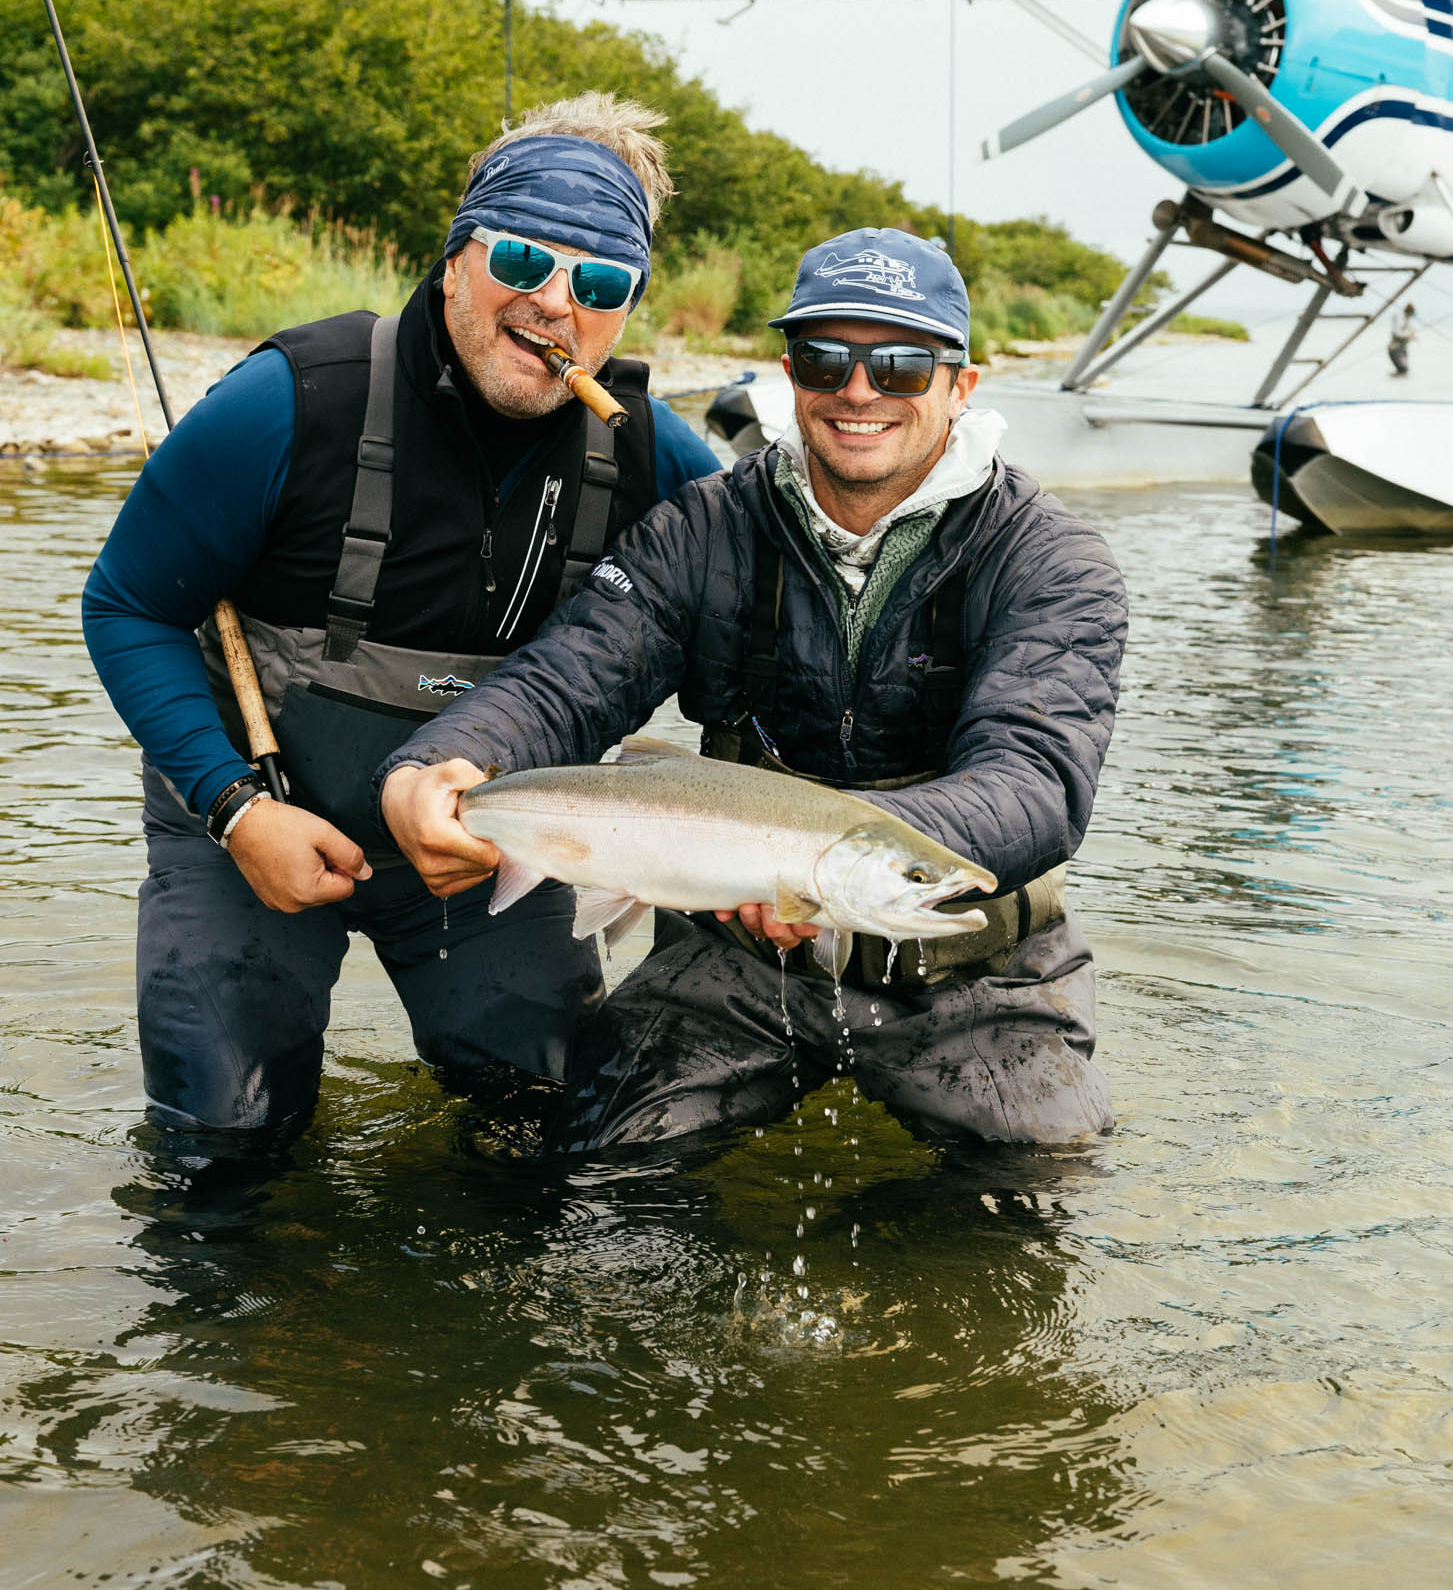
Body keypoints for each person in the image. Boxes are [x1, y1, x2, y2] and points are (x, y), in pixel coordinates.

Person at [380, 227, 1129, 1154]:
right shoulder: (700, 528)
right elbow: (566, 681)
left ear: (958, 386)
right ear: (790, 373)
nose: (859, 391)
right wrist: (437, 764)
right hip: (734, 959)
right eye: (827, 359)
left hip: (975, 972)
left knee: (1031, 1195)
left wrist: (817, 859)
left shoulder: (1053, 562)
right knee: (605, 1168)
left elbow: (1036, 783)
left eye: (899, 366)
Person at [82, 94, 720, 1145]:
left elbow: (769, 632)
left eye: (599, 282)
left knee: (546, 1138)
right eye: (523, 261)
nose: (557, 304)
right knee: (221, 1149)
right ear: (458, 254)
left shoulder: (660, 463)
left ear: (627, 306)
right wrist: (237, 811)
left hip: (487, 861)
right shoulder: (291, 400)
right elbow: (127, 606)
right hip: (251, 821)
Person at [1388, 301, 1418, 378]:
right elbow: (1398, 332)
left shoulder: (1406, 319)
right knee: (1402, 367)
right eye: (1410, 315)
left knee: (1404, 368)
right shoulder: (1399, 317)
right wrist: (1409, 335)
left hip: (1403, 345)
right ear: (1408, 312)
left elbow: (1407, 329)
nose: (1410, 317)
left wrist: (1411, 334)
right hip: (1396, 345)